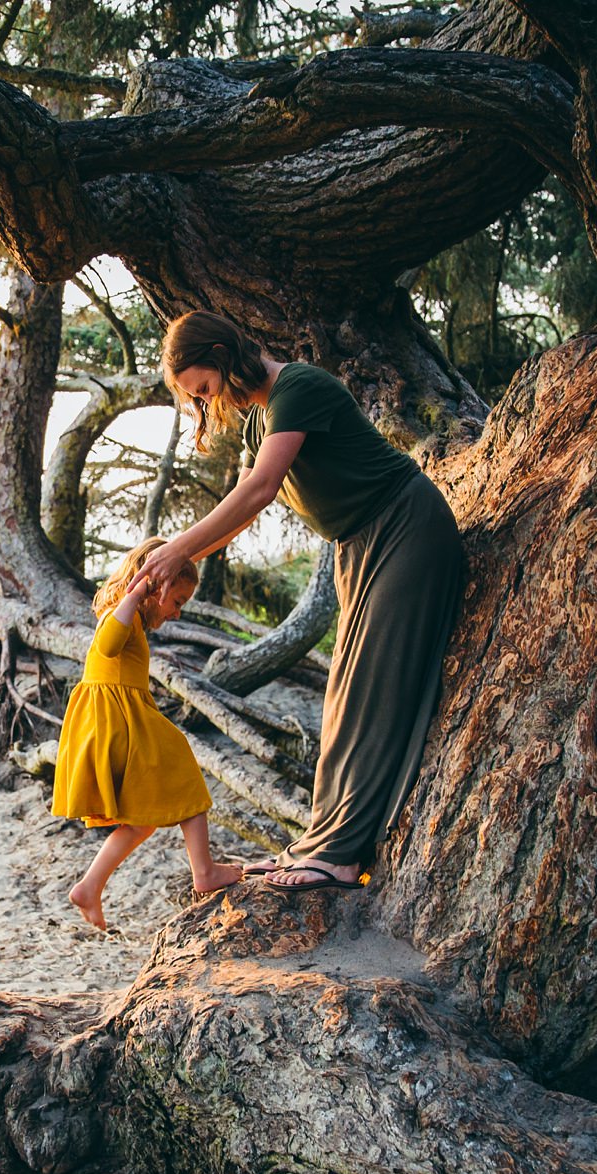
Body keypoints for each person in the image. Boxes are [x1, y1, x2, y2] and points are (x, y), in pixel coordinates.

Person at [139, 310, 465, 892]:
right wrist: (172, 560)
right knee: (342, 699)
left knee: (371, 686)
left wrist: (175, 549)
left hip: (405, 525)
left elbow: (260, 490)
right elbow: (237, 518)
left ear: (222, 353)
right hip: (359, 547)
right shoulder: (260, 419)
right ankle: (321, 841)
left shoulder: (299, 387)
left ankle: (340, 858)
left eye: (206, 390)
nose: (210, 406)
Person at [53, 538, 246, 928]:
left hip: (121, 716)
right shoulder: (117, 613)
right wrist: (136, 592)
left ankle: (89, 887)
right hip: (117, 719)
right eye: (177, 601)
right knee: (183, 767)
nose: (177, 612)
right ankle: (204, 872)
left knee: (141, 822)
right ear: (154, 586)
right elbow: (106, 647)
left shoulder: (133, 620)